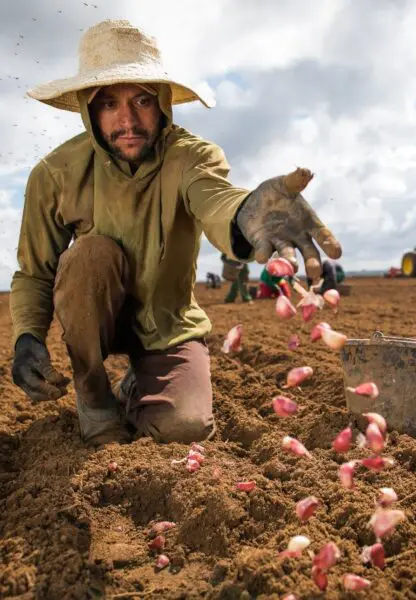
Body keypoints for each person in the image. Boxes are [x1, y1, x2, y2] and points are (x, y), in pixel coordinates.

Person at [9, 20, 341, 447]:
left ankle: (139, 385)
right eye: (109, 103)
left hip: (167, 322)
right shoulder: (56, 173)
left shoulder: (190, 157)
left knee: (184, 429)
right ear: (89, 110)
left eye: (142, 100)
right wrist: (27, 335)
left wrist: (247, 211)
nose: (127, 120)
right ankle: (94, 399)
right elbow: (35, 270)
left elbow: (216, 199)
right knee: (89, 255)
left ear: (163, 102)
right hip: (97, 317)